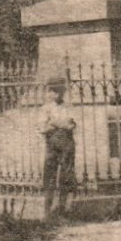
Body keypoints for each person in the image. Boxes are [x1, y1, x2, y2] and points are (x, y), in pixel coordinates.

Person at [38, 79, 78, 218]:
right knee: (49, 176)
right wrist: (60, 124)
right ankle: (47, 211)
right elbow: (43, 128)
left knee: (66, 176)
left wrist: (54, 122)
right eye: (54, 91)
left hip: (67, 144)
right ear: (49, 93)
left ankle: (62, 209)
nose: (57, 94)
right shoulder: (45, 108)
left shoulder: (68, 107)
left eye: (60, 91)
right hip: (52, 145)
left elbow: (72, 125)